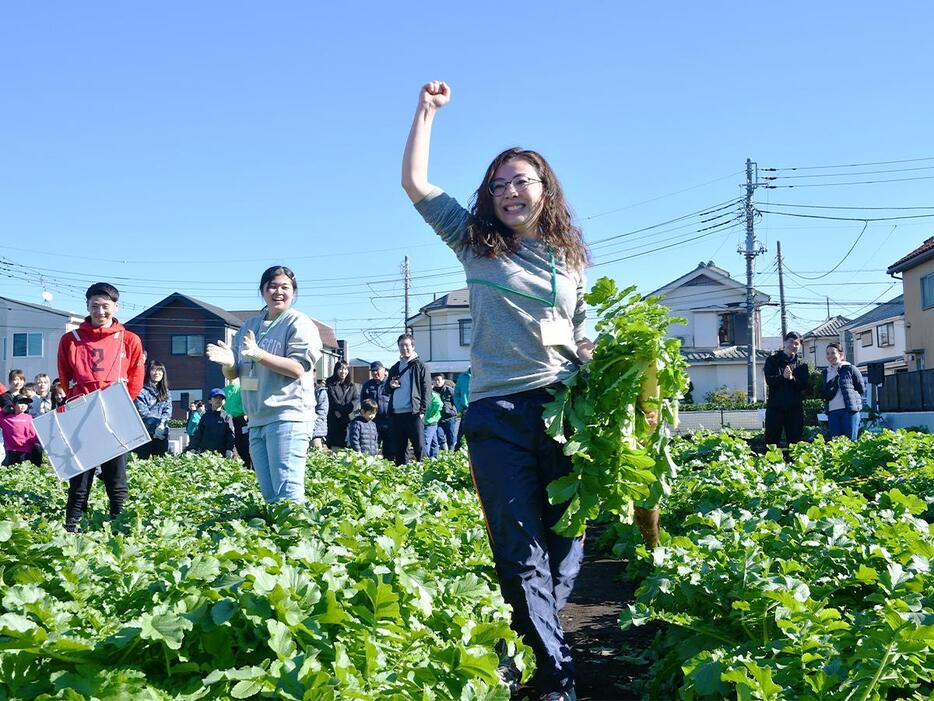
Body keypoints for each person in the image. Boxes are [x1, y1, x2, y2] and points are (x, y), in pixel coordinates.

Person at [402, 81, 594, 700]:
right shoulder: (475, 242)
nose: (510, 192)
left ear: (545, 190)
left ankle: (524, 636)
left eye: (522, 181)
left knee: (567, 544)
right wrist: (425, 112)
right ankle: (556, 677)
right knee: (519, 546)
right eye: (500, 184)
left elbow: (577, 331)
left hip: (565, 409)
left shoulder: (571, 261)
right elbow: (416, 184)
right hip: (495, 410)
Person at [206, 265, 321, 504]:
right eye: (272, 286)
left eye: (284, 287)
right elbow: (235, 372)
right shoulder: (250, 326)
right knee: (270, 494)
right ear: (263, 290)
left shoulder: (299, 323)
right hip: (256, 418)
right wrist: (227, 363)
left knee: (287, 492)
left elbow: (297, 368)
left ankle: (295, 537)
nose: (278, 292)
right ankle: (281, 534)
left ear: (293, 292)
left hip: (288, 416)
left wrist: (259, 354)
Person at [57, 282, 145, 532]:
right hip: (81, 414)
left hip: (115, 413)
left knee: (116, 478)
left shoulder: (130, 340)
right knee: (79, 480)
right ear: (87, 306)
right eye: (94, 306)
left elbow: (136, 377)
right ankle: (72, 528)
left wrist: (119, 405)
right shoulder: (69, 340)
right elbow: (65, 376)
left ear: (116, 307)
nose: (100, 311)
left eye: (106, 306)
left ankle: (121, 528)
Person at [386, 334, 431, 465]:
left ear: (413, 346)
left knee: (419, 447)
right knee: (399, 449)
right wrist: (390, 385)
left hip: (414, 413)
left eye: (407, 345)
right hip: (396, 413)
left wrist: (422, 411)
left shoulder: (420, 366)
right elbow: (386, 389)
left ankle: (424, 475)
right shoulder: (395, 367)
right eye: (401, 345)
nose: (404, 348)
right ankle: (403, 478)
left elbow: (427, 390)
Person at [763, 331, 810, 447]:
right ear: (784, 342)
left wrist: (791, 378)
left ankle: (795, 464)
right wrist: (783, 377)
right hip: (775, 408)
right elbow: (770, 381)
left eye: (796, 344)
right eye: (790, 342)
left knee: (795, 442)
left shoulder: (802, 364)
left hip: (795, 408)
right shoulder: (772, 360)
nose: (793, 346)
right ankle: (770, 464)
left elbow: (804, 385)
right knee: (771, 441)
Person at [822, 342, 864, 440]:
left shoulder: (850, 369)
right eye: (827, 354)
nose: (830, 356)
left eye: (833, 353)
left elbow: (861, 388)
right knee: (836, 444)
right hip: (832, 412)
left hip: (848, 411)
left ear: (841, 355)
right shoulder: (826, 372)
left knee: (850, 443)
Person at [134, 360, 172, 459]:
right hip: (144, 435)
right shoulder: (141, 391)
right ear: (149, 372)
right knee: (141, 464)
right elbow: (143, 413)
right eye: (154, 370)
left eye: (160, 370)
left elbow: (167, 411)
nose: (157, 373)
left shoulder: (166, 392)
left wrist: (162, 424)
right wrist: (156, 425)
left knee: (161, 464)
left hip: (161, 433)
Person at [189, 388, 236, 457]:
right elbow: (199, 433)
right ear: (210, 401)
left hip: (222, 455)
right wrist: (193, 448)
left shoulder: (227, 417)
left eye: (221, 398)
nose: (219, 400)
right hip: (205, 454)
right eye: (216, 398)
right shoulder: (205, 416)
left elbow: (230, 435)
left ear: (224, 401)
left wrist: (229, 449)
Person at [360, 361, 393, 458]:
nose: (374, 373)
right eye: (372, 371)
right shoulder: (367, 385)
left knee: (390, 450)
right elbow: (363, 403)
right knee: (372, 448)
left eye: (377, 370)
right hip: (373, 422)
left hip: (389, 422)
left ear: (383, 370)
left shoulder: (390, 383)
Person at [0, 395, 43, 466]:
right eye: (20, 403)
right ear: (13, 405)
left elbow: (32, 434)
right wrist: (4, 410)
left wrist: (35, 444)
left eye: (26, 403)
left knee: (23, 471)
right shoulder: (6, 419)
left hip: (26, 450)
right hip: (10, 450)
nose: (23, 405)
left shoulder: (29, 418)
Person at [325, 361, 359, 449]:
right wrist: (339, 413)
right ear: (336, 370)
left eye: (345, 369)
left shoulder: (352, 385)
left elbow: (355, 401)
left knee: (348, 448)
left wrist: (343, 412)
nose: (343, 372)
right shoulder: (330, 383)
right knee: (335, 449)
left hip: (348, 420)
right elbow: (333, 401)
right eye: (341, 369)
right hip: (334, 421)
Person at [223, 379, 252, 468]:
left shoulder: (242, 386)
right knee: (243, 445)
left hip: (235, 419)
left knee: (241, 445)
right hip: (238, 419)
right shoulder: (243, 386)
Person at [433, 373, 459, 452]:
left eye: (438, 380)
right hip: (437, 419)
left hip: (450, 418)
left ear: (443, 381)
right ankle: (445, 452)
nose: (437, 382)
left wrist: (455, 411)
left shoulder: (449, 390)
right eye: (435, 380)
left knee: (451, 438)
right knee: (439, 436)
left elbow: (456, 402)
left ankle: (452, 454)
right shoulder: (432, 392)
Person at [453, 367, 471, 450]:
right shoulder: (462, 376)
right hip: (466, 410)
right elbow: (456, 394)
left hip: (481, 408)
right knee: (461, 437)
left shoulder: (483, 374)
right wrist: (460, 408)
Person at [423, 385, 443, 458]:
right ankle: (434, 457)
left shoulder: (433, 395)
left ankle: (425, 459)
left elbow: (439, 405)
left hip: (429, 421)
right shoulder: (430, 395)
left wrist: (430, 414)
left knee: (426, 441)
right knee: (434, 442)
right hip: (430, 421)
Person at [311, 371, 329, 450]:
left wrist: (311, 428)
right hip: (298, 431)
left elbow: (322, 413)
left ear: (314, 374)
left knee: (317, 456)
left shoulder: (320, 391)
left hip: (315, 432)